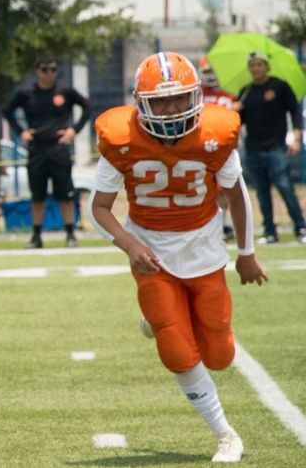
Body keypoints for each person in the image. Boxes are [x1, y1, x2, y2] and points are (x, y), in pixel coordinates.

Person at [89, 52, 268, 463]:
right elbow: (98, 207)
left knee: (220, 355)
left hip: (204, 249)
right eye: (161, 101)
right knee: (175, 348)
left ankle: (161, 320)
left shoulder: (215, 133)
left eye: (179, 99)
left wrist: (247, 253)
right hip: (151, 251)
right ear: (141, 103)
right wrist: (130, 246)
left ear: (196, 96)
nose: (170, 110)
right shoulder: (121, 137)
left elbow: (238, 197)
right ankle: (225, 433)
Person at [2, 56, 91, 248]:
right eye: (45, 69)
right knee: (37, 196)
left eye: (53, 69)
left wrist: (73, 130)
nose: (49, 73)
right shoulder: (27, 93)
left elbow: (86, 106)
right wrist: (21, 132)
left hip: (59, 149)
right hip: (37, 149)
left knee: (64, 194)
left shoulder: (65, 90)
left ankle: (70, 233)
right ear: (37, 71)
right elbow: (7, 110)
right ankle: (36, 236)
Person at [237, 51, 306, 244]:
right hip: (253, 149)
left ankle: (301, 228)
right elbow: (238, 120)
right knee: (261, 192)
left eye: (259, 64)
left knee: (285, 187)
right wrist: (235, 110)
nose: (256, 68)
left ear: (267, 66)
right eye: (252, 65)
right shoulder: (246, 91)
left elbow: (295, 110)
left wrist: (295, 137)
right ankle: (270, 232)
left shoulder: (279, 86)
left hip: (276, 148)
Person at [199, 55, 238, 240]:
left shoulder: (228, 96)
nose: (211, 75)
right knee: (206, 189)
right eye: (207, 71)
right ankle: (212, 224)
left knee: (225, 189)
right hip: (200, 150)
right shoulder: (196, 94)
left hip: (223, 150)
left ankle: (225, 224)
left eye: (213, 71)